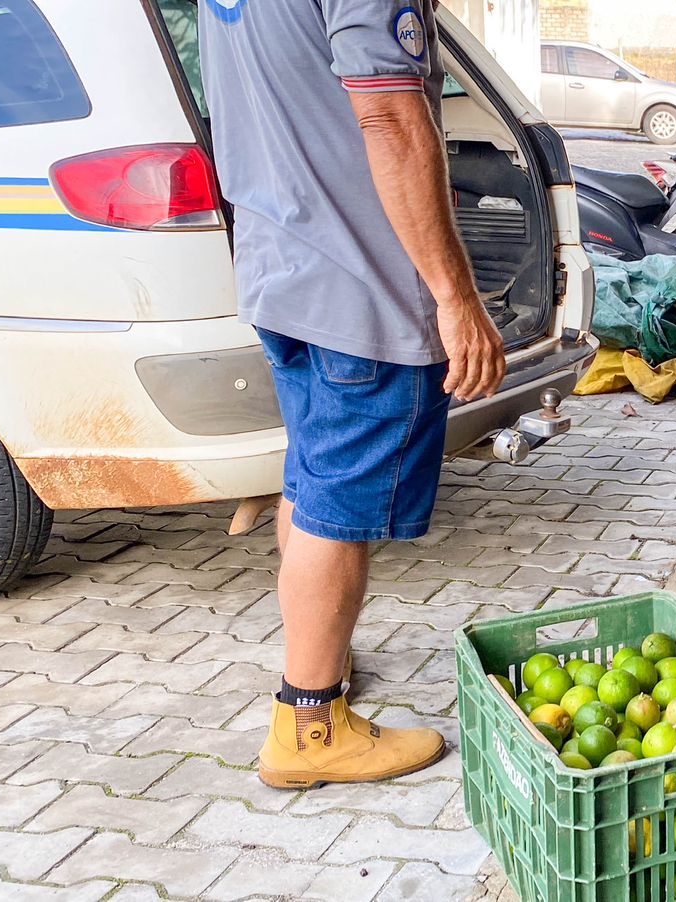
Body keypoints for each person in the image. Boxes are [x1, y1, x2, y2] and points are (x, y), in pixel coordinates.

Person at [200, 0, 506, 787]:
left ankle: (321, 663)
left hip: (281, 265)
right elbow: (392, 120)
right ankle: (309, 727)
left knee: (310, 479)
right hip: (357, 287)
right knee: (339, 505)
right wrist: (454, 295)